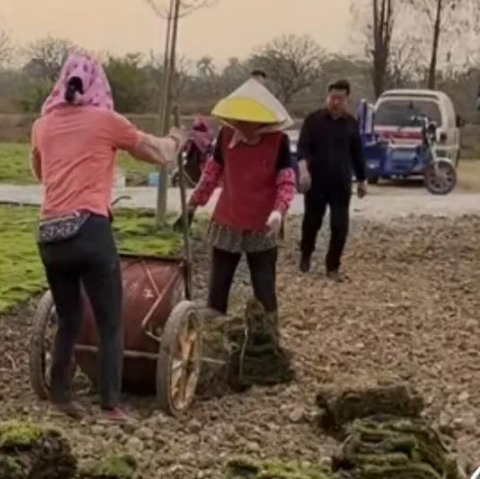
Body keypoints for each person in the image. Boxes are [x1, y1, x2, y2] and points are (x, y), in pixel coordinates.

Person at [31, 54, 182, 423]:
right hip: (89, 229)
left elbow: (39, 170)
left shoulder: (42, 125)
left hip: (50, 233)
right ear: (99, 84)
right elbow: (158, 153)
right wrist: (178, 139)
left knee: (68, 317)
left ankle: (62, 393)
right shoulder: (106, 121)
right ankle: (110, 405)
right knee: (110, 320)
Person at [175, 77, 296, 320]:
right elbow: (211, 175)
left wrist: (278, 211)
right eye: (239, 121)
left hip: (263, 224)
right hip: (227, 220)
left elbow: (286, 181)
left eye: (250, 122)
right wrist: (192, 205)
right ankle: (214, 333)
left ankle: (265, 339)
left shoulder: (278, 141)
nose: (244, 126)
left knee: (264, 288)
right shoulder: (225, 136)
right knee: (218, 288)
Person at [297, 79, 367, 281]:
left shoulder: (351, 124)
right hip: (316, 182)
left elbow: (357, 154)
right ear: (327, 97)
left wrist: (362, 180)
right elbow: (302, 149)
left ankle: (332, 266)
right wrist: (303, 171)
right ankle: (306, 254)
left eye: (340, 98)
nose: (335, 102)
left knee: (340, 226)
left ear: (346, 99)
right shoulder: (313, 120)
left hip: (341, 184)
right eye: (332, 97)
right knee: (311, 222)